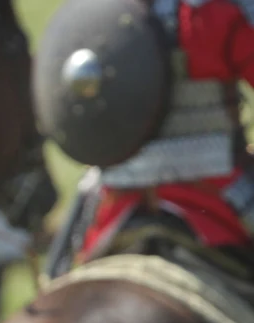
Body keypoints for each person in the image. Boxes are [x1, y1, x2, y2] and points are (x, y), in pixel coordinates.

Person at [43, 0, 254, 276]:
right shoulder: (214, 10)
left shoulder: (103, 11)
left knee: (58, 279)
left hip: (112, 206)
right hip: (219, 199)